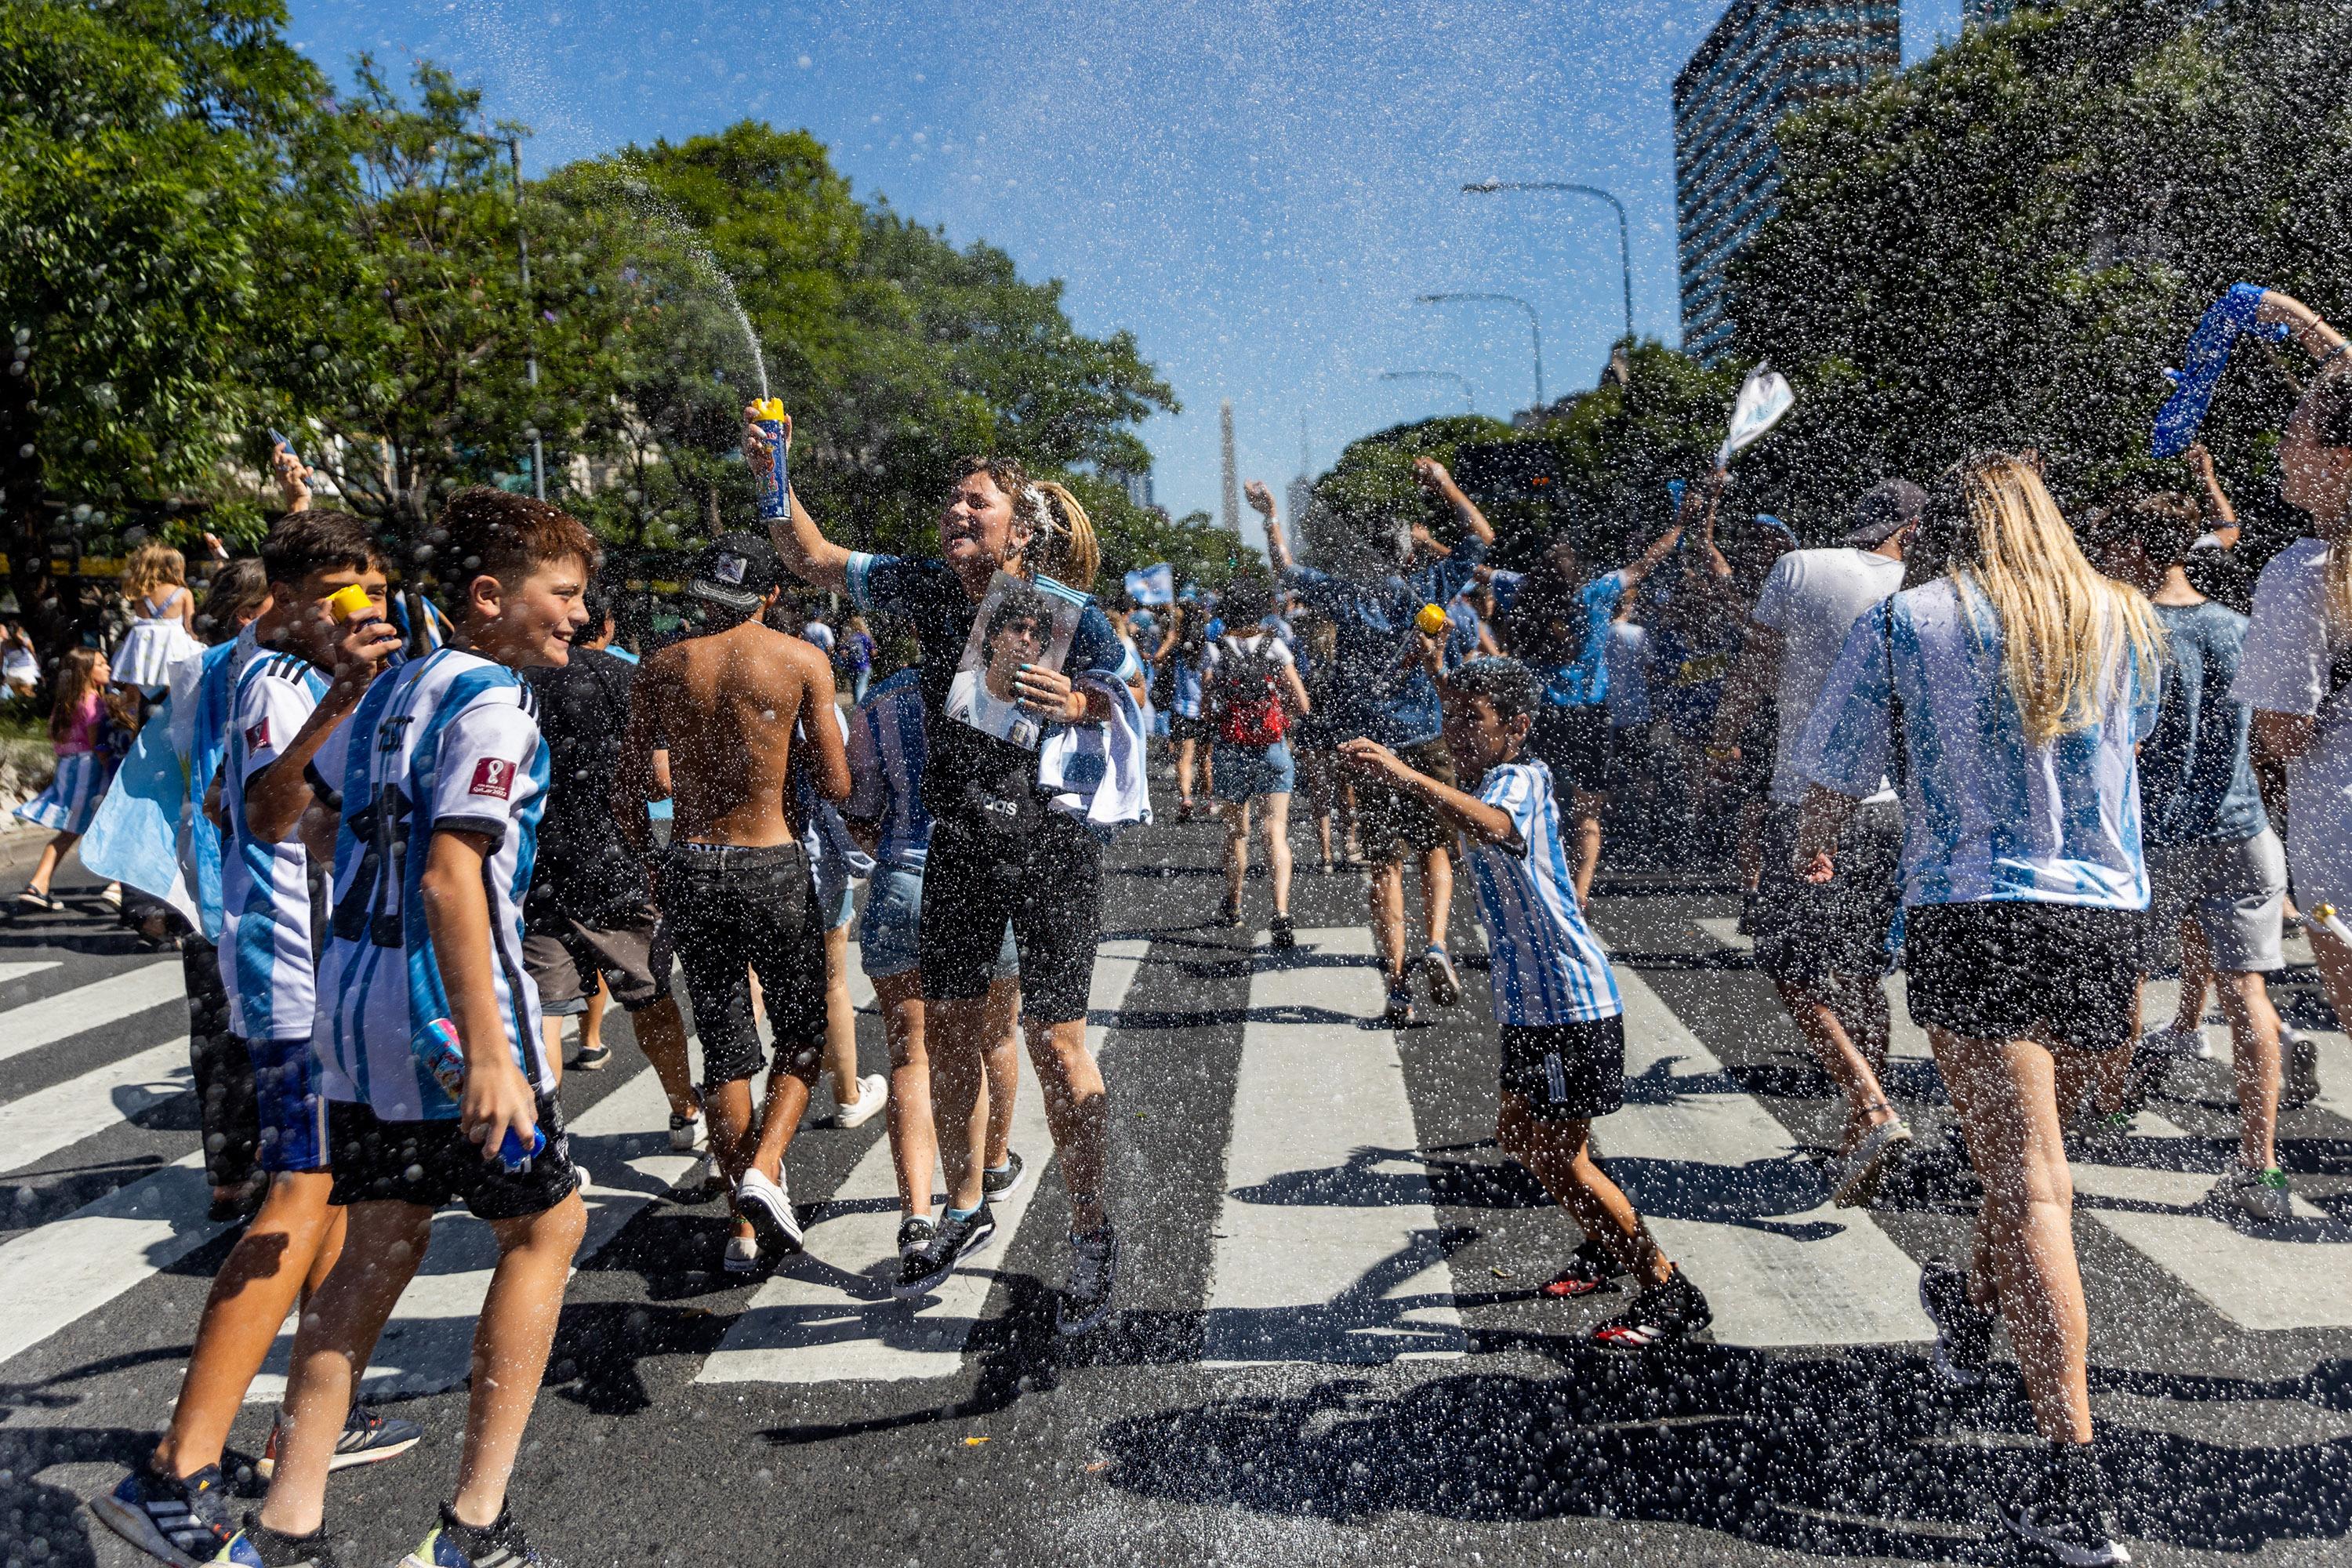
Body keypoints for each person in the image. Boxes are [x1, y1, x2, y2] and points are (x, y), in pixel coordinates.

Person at [215, 489, 598, 1568]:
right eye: (562, 595)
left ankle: (285, 1528)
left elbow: (276, 818)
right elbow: (450, 875)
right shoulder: (496, 704)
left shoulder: (385, 695)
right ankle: (476, 1524)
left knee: (375, 1248)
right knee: (547, 1230)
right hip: (448, 1015)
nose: (577, 616)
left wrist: (340, 698)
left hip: (356, 1012)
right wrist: (489, 1051)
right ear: (490, 597)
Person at [1794, 452, 2157, 1568]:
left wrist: (1805, 852)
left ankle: (2075, 1490)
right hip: (2104, 921)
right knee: (2032, 1159)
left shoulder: (1910, 623)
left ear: (1944, 528)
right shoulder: (2122, 616)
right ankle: (1966, 1301)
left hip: (1975, 907)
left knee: (2030, 1180)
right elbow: (2122, 757)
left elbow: (1836, 772)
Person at [757, 406, 1134, 1331]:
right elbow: (811, 556)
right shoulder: (924, 586)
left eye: (978, 501)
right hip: (960, 838)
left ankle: (1092, 1230)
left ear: (1023, 525)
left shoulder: (1064, 611)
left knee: (1054, 1045)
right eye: (951, 500)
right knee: (954, 1031)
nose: (956, 511)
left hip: (1047, 842)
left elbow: (1125, 695)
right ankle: (966, 1204)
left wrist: (1077, 700)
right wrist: (774, 471)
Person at [93, 512, 419, 1568]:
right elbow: (272, 810)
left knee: (328, 1203)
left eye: (367, 596)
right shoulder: (279, 682)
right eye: (344, 598)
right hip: (292, 980)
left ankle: (303, 1419)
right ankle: (170, 1473)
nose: (359, 617)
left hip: (301, 969)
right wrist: (347, 698)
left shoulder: (252, 662)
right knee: (291, 1210)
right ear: (285, 597)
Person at [1340, 659, 1712, 1346]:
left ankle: (1669, 1290)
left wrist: (1403, 772)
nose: (1456, 733)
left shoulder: (1522, 780)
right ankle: (1608, 1245)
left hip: (1571, 1004)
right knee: (1521, 1139)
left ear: (1517, 728)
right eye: (1453, 719)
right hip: (1532, 1008)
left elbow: (1491, 826)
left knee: (1561, 1156)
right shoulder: (1490, 774)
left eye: (1472, 722)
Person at [615, 533, 851, 1274]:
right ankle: (764, 1168)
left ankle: (741, 1234)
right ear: (771, 595)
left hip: (691, 859)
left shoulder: (661, 667)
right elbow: (839, 784)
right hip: (770, 857)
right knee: (803, 1032)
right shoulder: (801, 660)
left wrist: (655, 865)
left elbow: (628, 789)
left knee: (723, 1046)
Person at [2079, 492, 2292, 1218]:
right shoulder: (2239, 627)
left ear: (2137, 552)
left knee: (2128, 976)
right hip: (2245, 832)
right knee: (2248, 994)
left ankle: (2108, 1108)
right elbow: (2268, 739)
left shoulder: (2122, 629)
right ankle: (2260, 1165)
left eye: (2113, 546)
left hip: (2157, 840)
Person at [1710, 479, 1921, 1206]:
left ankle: (1870, 1106)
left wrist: (1725, 734)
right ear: (1911, 529)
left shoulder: (1799, 565)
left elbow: (1757, 667)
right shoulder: (1920, 586)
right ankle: (1862, 1125)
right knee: (1863, 974)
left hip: (1805, 801)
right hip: (1889, 808)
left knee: (1792, 969)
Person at [1254, 458, 1495, 1027]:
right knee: (1437, 850)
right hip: (1425, 736)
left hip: (1368, 744)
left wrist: (1270, 518)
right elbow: (1482, 537)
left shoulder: (1345, 593)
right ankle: (1436, 942)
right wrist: (1443, 483)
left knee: (1384, 866)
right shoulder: (1428, 585)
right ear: (1406, 553)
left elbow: (1285, 570)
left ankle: (1396, 986)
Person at [845, 666, 1030, 1290]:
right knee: (995, 1038)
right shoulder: (1004, 689)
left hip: (902, 879)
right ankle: (992, 1168)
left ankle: (916, 1217)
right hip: (982, 882)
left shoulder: (884, 698)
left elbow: (858, 806)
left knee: (910, 1056)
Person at [519, 578, 702, 1153]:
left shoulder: (517, 679)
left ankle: (547, 1139)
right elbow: (660, 782)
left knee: (546, 1008)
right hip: (616, 862)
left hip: (538, 867)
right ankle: (682, 1109)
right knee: (649, 995)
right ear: (610, 627)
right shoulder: (623, 678)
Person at [2235, 286, 2352, 1141]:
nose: (2281, 449)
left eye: (2294, 433)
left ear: (2339, 460)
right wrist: (2312, 334)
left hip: (2338, 848)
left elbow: (2281, 732)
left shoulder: (2301, 574)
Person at [1497, 502, 1686, 906]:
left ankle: (1535, 885)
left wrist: (1431, 545)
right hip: (1591, 716)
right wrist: (1681, 521)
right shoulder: (1598, 593)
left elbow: (1475, 570)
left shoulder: (1521, 589)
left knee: (1533, 805)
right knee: (1588, 812)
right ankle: (1580, 897)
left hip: (1542, 714)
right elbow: (1647, 562)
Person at [1201, 572, 1312, 946]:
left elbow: (1205, 709)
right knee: (1275, 830)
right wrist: (1279, 715)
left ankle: (1233, 903)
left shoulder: (1216, 649)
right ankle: (1280, 910)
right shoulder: (1276, 648)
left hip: (1232, 749)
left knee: (1236, 832)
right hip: (1272, 746)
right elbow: (1302, 703)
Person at [12, 647, 122, 910]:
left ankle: (38, 884)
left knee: (69, 832)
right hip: (91, 771)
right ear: (87, 671)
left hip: (68, 768)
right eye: (101, 664)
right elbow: (99, 746)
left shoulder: (66, 703)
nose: (107, 667)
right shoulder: (94, 702)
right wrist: (113, 772)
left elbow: (55, 737)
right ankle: (118, 886)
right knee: (116, 826)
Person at [946, 586, 1056, 748]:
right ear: (994, 637)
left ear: (1039, 653)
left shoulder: (1039, 717)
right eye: (1018, 628)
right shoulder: (958, 686)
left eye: (1035, 635)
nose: (1026, 639)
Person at [1289, 612, 1356, 872]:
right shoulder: (1343, 671)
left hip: (1311, 732)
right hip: (1338, 732)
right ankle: (1349, 844)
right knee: (1345, 790)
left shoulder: (1307, 668)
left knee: (1320, 794)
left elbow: (1299, 703)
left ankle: (1326, 854)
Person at [112, 541, 203, 695]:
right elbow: (190, 626)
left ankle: (133, 717)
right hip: (173, 645)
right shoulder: (183, 593)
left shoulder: (140, 592)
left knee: (135, 686)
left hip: (142, 644)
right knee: (174, 689)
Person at [842, 612, 876, 702]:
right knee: (860, 689)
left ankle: (858, 709)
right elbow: (873, 652)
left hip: (852, 667)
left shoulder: (850, 639)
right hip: (864, 666)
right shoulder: (865, 637)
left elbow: (844, 652)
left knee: (855, 690)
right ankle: (861, 710)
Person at [2, 619, 38, 698]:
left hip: (11, 675)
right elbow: (34, 655)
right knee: (30, 697)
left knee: (20, 698)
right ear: (20, 629)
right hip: (25, 673)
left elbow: (1, 662)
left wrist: (3, 677)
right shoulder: (26, 641)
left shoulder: (4, 644)